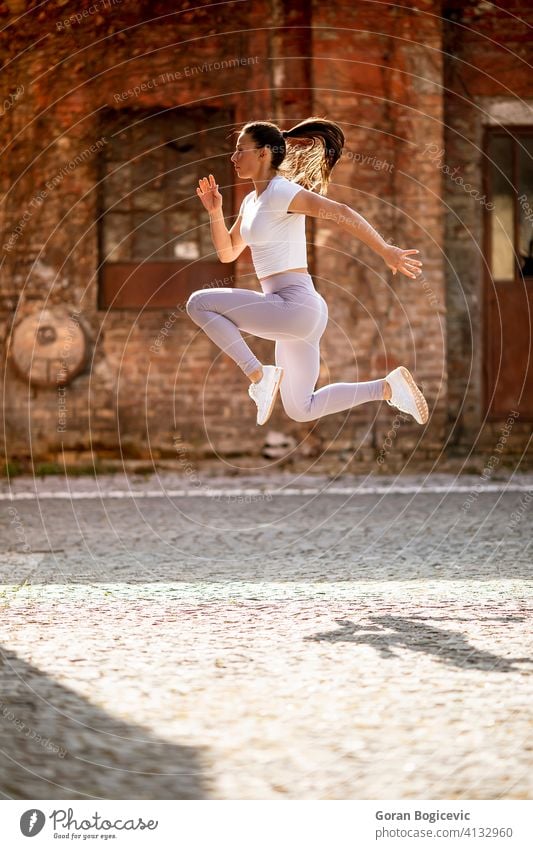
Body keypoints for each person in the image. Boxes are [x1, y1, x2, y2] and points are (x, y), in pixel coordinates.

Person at [186, 117, 428, 427]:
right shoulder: (251, 202)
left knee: (199, 303)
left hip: (293, 307)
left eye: (240, 150)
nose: (233, 158)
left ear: (263, 154)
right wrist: (215, 211)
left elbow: (341, 212)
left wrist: (386, 250)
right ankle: (388, 388)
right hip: (297, 312)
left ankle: (258, 375)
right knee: (301, 408)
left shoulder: (281, 192)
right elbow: (227, 252)